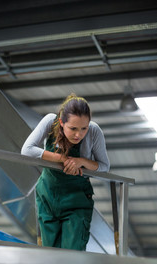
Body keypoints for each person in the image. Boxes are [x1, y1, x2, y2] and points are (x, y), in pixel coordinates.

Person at [21, 93, 110, 251]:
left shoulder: (94, 131)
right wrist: (61, 159)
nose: (78, 134)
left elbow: (104, 166)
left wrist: (81, 162)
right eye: (73, 128)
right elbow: (27, 150)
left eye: (84, 128)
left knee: (72, 254)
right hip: (47, 198)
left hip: (76, 201)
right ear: (62, 122)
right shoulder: (50, 121)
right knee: (50, 255)